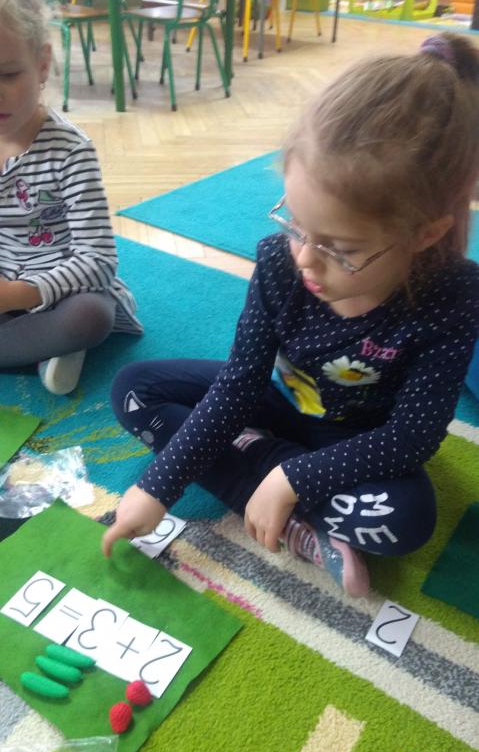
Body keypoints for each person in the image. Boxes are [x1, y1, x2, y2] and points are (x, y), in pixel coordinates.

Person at [103, 32, 479, 598]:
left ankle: (269, 480)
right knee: (133, 389)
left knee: (406, 522)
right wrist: (159, 486)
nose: (305, 258)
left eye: (340, 249)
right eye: (295, 224)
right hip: (277, 404)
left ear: (425, 235)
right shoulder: (281, 262)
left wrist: (291, 477)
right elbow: (238, 386)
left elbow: (410, 437)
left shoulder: (454, 295)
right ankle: (292, 507)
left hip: (359, 444)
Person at [0, 0, 142, 396]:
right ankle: (39, 349)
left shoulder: (70, 150)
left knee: (90, 317)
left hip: (65, 288)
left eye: (8, 75)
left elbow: (98, 262)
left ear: (42, 64)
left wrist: (17, 295)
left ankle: (41, 343)